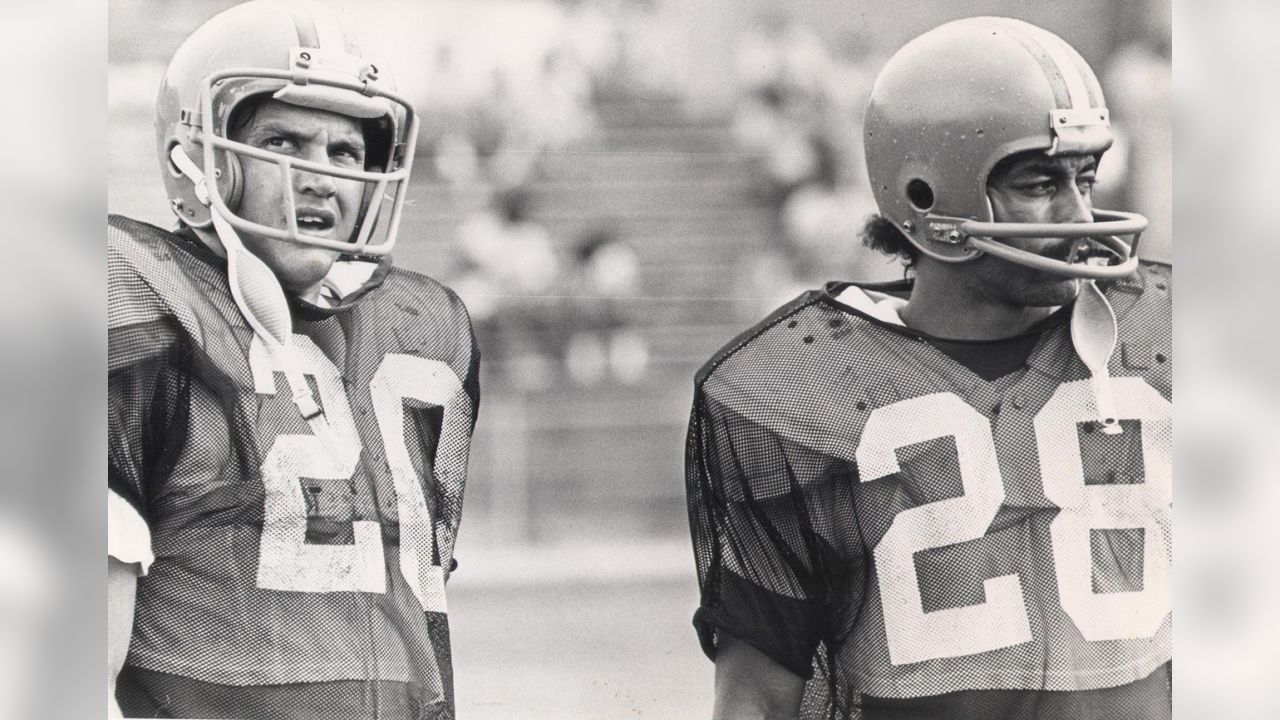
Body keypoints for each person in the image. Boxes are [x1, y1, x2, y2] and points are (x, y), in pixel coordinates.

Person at [686, 17, 1170, 720]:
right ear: (926, 194)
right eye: (1040, 182)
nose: (1079, 212)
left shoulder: (1168, 336)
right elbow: (756, 700)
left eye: (1085, 176)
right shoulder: (796, 391)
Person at [107, 2, 480, 718]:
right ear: (202, 160)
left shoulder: (427, 331)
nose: (322, 178)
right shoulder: (137, 303)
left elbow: (422, 619)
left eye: (345, 153)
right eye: (284, 142)